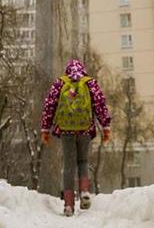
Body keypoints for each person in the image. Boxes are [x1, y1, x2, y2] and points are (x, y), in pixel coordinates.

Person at [40, 59, 111, 217]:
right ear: (83, 70)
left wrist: (46, 128)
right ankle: (84, 190)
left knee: (68, 166)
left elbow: (49, 106)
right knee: (83, 161)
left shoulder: (60, 83)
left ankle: (68, 205)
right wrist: (106, 126)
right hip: (85, 128)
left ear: (67, 70)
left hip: (66, 130)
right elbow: (100, 104)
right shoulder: (89, 83)